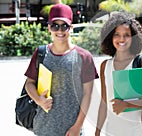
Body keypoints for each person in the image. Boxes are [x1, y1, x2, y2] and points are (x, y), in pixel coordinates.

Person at [24, 3, 99, 136]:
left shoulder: (84, 57)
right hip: (42, 128)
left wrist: (78, 126)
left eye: (64, 26)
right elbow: (29, 83)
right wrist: (38, 100)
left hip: (72, 131)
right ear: (49, 28)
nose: (59, 30)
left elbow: (88, 95)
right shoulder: (41, 53)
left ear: (71, 28)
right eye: (55, 26)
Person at [94, 12, 142, 136]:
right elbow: (104, 103)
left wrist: (127, 104)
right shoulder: (105, 66)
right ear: (110, 37)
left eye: (127, 35)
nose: (122, 39)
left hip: (138, 132)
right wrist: (97, 131)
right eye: (117, 35)